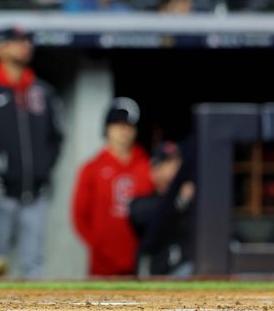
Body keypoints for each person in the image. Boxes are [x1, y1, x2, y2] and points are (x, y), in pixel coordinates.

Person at [0, 27, 64, 279]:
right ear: (0, 48)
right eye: (16, 42)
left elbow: (56, 138)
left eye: (27, 41)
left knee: (34, 264)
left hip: (36, 192)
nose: (24, 46)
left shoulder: (42, 91)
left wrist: (44, 168)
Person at [72, 97, 154, 276]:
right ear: (107, 128)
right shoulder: (92, 168)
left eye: (129, 126)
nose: (123, 131)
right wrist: (98, 244)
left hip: (137, 262)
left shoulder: (146, 166)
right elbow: (79, 215)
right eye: (118, 125)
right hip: (101, 264)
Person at [129, 140, 196, 277]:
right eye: (168, 163)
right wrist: (179, 199)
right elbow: (158, 217)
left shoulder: (192, 201)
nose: (175, 168)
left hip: (188, 272)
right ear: (155, 170)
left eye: (178, 163)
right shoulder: (142, 204)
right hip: (156, 276)